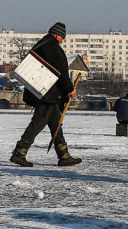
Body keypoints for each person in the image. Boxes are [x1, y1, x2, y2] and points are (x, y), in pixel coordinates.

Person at [10, 22, 82, 167]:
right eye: (62, 37)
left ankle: (64, 156)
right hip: (48, 94)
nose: (62, 40)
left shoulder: (43, 44)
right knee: (38, 123)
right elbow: (61, 72)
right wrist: (69, 89)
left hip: (42, 91)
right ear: (56, 34)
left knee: (56, 123)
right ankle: (19, 153)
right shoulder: (52, 47)